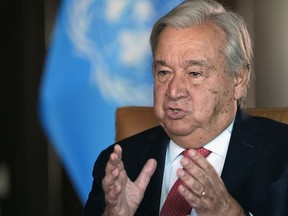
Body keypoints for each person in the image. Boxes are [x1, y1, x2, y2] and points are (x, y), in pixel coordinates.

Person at [82, 0, 288, 215]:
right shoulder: (121, 164)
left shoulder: (282, 156)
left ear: (238, 80)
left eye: (194, 73)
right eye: (164, 72)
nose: (173, 91)